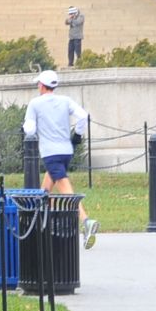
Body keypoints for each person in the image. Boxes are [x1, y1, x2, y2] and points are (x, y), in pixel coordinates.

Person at [22, 70, 98, 247]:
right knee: (45, 189)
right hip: (66, 150)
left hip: (50, 152)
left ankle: (86, 221)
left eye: (38, 84)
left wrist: (24, 127)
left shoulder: (35, 104)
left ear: (41, 85)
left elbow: (30, 130)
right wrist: (77, 135)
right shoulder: (65, 101)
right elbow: (83, 117)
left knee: (65, 189)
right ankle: (36, 221)